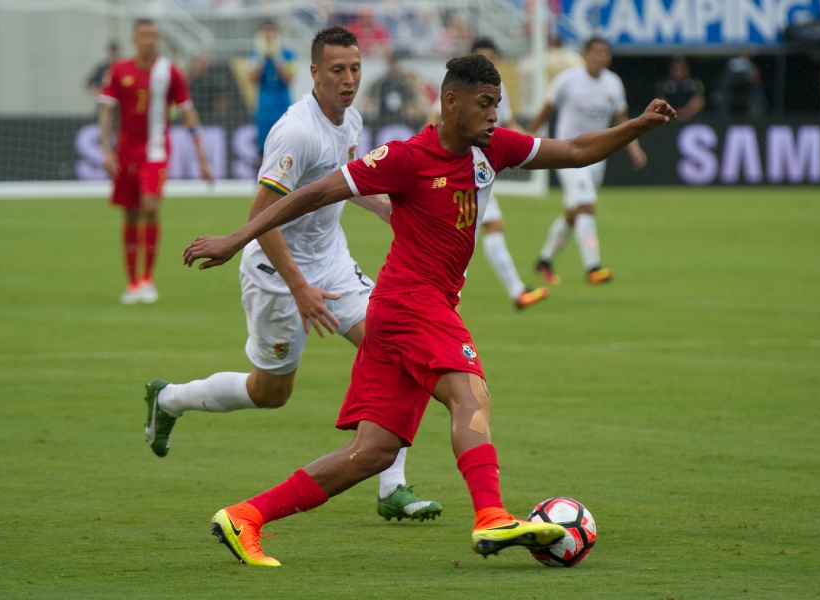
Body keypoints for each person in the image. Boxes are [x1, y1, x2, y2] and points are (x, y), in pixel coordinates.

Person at [182, 53, 676, 566]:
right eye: (484, 105)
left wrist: (638, 124)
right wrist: (237, 239)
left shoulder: (494, 148)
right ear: (450, 101)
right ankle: (490, 516)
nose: (493, 115)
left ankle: (245, 516)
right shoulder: (406, 157)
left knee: (372, 453)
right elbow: (315, 192)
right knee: (472, 395)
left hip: (400, 313)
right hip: (411, 303)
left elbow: (574, 149)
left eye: (498, 105)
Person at [143, 26, 442, 523]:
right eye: (337, 71)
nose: (348, 80)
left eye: (354, 69)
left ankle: (392, 486)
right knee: (270, 393)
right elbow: (263, 218)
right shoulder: (296, 131)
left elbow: (345, 183)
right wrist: (300, 288)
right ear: (313, 73)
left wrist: (390, 210)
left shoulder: (351, 120)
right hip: (276, 275)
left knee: (398, 347)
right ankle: (170, 398)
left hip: (333, 263)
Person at [424, 38, 549, 309]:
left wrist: (529, 139)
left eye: (492, 58)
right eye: (483, 57)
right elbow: (434, 120)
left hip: (479, 170)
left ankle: (512, 291)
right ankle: (506, 292)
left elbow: (508, 123)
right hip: (459, 171)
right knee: (458, 240)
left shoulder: (496, 87)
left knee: (481, 231)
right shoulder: (460, 87)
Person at [98, 19, 213, 305]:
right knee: (130, 214)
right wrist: (106, 150)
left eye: (154, 35)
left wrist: (202, 157)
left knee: (149, 206)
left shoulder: (169, 71)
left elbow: (187, 111)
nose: (150, 40)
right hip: (126, 153)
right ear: (134, 38)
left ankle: (147, 278)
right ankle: (131, 282)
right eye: (145, 35)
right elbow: (106, 112)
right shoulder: (119, 70)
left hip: (156, 152)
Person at [529, 37, 642, 286]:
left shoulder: (613, 83)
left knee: (574, 212)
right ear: (585, 55)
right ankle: (592, 268)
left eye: (605, 53)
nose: (600, 57)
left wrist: (634, 149)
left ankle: (544, 260)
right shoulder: (569, 80)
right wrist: (531, 133)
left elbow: (621, 120)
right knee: (587, 204)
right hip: (567, 153)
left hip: (596, 156)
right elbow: (547, 106)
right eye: (596, 52)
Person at [250, 20, 296, 160]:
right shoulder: (255, 54)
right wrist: (261, 57)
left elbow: (289, 78)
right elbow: (251, 78)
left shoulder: (288, 54)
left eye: (272, 33)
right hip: (264, 107)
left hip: (282, 105)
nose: (269, 37)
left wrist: (277, 58)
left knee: (285, 144)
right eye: (266, 34)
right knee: (263, 148)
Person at [369, 49, 422, 121]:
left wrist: (412, 112)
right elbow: (370, 99)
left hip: (402, 118)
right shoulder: (380, 82)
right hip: (383, 118)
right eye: (391, 63)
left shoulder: (405, 82)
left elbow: (414, 101)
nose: (393, 66)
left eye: (395, 63)